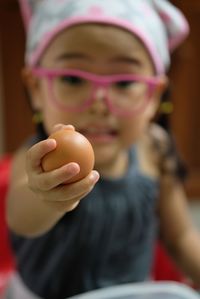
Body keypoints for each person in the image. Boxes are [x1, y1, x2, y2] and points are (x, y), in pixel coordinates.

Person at [4, 0, 200, 298]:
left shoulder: (155, 149)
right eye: (72, 79)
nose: (98, 102)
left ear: (153, 97)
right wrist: (47, 197)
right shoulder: (38, 158)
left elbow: (181, 237)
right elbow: (20, 220)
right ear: (35, 89)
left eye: (123, 83)